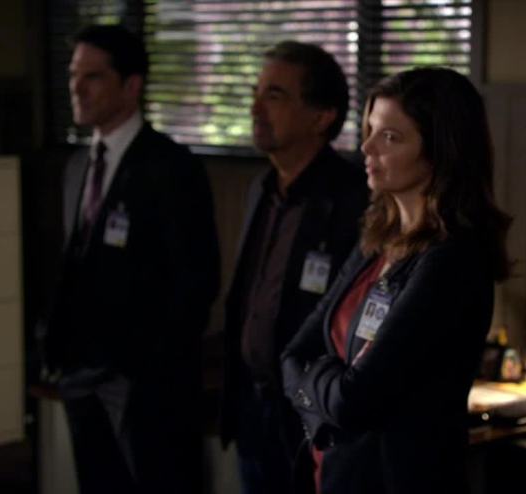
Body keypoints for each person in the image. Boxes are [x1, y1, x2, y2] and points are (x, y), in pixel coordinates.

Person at [281, 67, 512, 494]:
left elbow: (355, 401)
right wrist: (331, 385)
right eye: (369, 130)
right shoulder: (378, 239)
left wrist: (317, 383)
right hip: (331, 474)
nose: (366, 147)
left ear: (440, 151)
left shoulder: (451, 260)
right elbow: (293, 354)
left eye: (390, 137)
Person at [36, 24, 220, 494]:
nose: (77, 87)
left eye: (93, 76)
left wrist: (148, 369)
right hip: (81, 374)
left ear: (131, 85)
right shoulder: (78, 165)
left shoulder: (172, 167)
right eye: (73, 75)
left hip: (145, 383)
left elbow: (196, 282)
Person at [219, 40, 368, 494]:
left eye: (275, 95)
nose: (255, 108)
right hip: (252, 406)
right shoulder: (262, 188)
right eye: (256, 92)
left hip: (309, 417)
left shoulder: (353, 199)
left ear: (321, 117)